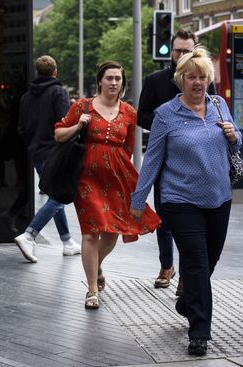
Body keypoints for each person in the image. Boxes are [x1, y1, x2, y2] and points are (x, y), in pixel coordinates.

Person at [131, 47, 241, 356]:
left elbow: (237, 141)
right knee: (196, 261)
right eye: (191, 77)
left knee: (210, 261)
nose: (197, 82)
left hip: (219, 197)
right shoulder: (167, 114)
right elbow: (152, 160)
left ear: (209, 79)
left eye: (202, 76)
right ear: (181, 80)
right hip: (180, 200)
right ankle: (199, 332)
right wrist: (139, 199)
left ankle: (187, 300)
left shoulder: (219, 105)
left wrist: (234, 136)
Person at [54, 61, 161, 309]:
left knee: (111, 234)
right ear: (99, 81)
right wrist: (78, 125)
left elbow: (127, 149)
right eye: (109, 78)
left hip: (116, 180)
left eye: (118, 79)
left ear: (123, 83)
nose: (114, 82)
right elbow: (58, 134)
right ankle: (92, 289)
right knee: (91, 232)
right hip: (86, 179)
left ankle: (96, 264)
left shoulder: (130, 113)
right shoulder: (83, 106)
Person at [138, 29, 216, 294]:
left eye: (187, 50)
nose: (182, 55)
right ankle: (166, 265)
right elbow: (142, 115)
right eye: (178, 50)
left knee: (192, 224)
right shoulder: (155, 80)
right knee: (165, 215)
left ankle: (185, 276)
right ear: (169, 51)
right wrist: (167, 127)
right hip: (165, 161)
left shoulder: (204, 80)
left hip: (197, 165)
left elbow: (215, 111)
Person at [14, 55, 81, 263]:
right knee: (59, 196)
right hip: (56, 153)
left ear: (37, 72)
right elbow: (64, 123)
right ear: (55, 72)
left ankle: (67, 241)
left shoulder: (26, 97)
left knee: (55, 194)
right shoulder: (58, 92)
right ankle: (29, 235)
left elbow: (21, 128)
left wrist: (32, 145)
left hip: (36, 153)